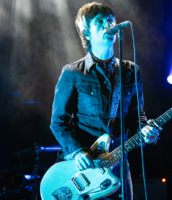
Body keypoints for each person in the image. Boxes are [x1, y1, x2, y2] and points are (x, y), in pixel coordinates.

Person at [50, 2, 160, 200]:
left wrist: (145, 131)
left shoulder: (131, 71)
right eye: (99, 21)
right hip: (83, 167)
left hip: (118, 164)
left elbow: (137, 115)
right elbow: (58, 123)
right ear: (87, 33)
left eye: (110, 20)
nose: (107, 24)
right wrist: (76, 152)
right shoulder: (72, 73)